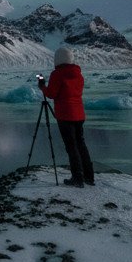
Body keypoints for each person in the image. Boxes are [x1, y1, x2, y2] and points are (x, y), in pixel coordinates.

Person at [37, 45, 94, 187]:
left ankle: (77, 178)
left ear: (57, 59)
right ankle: (89, 177)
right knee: (81, 144)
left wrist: (42, 86)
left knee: (71, 146)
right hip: (79, 114)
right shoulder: (78, 74)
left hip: (65, 115)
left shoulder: (57, 74)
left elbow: (51, 93)